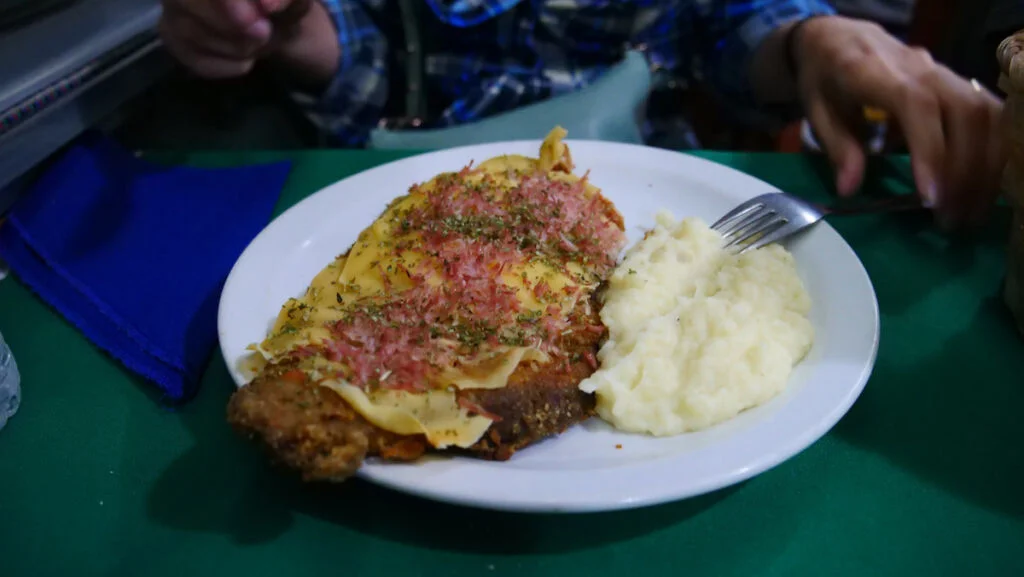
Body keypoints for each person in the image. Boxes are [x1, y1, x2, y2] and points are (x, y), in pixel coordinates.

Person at [158, 0, 1005, 230]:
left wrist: (816, 38)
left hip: (640, 197)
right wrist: (285, 29)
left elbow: (730, 28)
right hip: (407, 185)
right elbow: (368, 53)